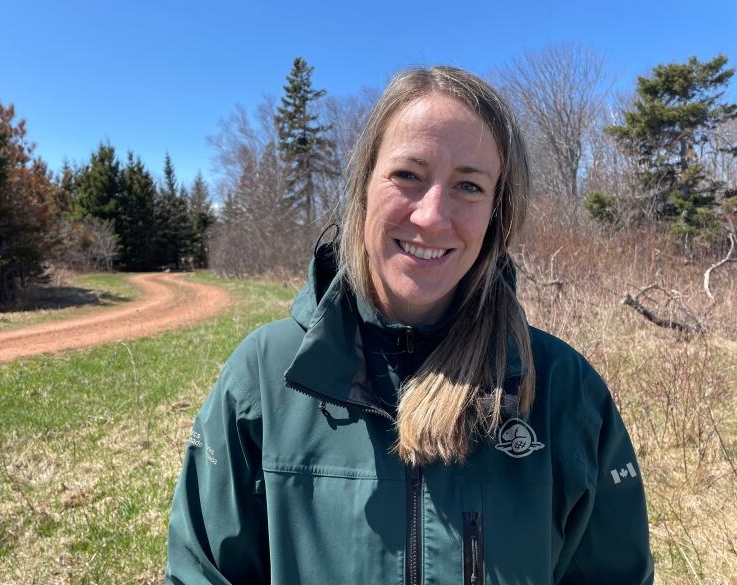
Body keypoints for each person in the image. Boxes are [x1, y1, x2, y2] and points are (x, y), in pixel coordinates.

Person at [166, 66, 654, 585]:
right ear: (363, 188)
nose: (431, 216)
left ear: (496, 213)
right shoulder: (264, 378)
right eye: (408, 175)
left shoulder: (564, 391)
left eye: (469, 185)